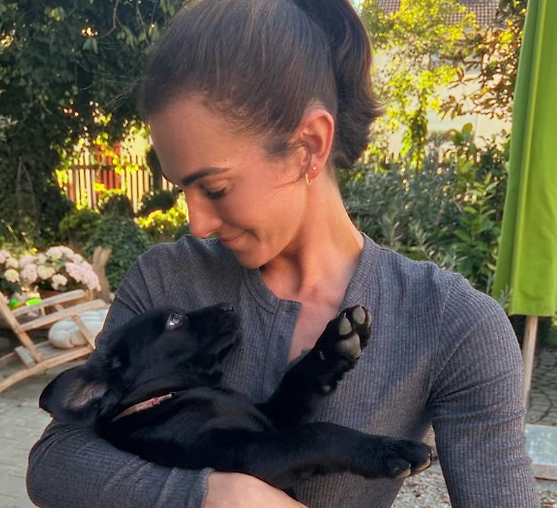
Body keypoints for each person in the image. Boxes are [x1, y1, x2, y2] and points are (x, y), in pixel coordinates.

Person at [27, 0, 541, 506]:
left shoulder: (453, 322)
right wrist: (218, 496)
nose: (196, 222)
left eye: (215, 187)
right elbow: (55, 461)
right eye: (182, 188)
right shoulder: (167, 276)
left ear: (309, 146)